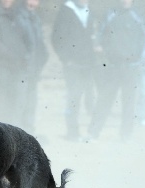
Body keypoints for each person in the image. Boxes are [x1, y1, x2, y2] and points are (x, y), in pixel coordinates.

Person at [87, 0, 145, 141]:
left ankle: (125, 135)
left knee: (128, 103)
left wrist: (138, 57)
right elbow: (100, 32)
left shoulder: (137, 15)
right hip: (113, 66)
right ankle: (93, 132)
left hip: (131, 67)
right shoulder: (110, 13)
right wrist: (99, 46)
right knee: (104, 100)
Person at [0, 0, 34, 126]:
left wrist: (26, 55)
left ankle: (15, 131)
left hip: (18, 65)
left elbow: (27, 37)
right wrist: (10, 55)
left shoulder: (19, 14)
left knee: (18, 100)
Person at [51, 0, 97, 141]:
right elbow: (56, 37)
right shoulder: (66, 11)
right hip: (73, 64)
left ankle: (88, 131)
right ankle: (72, 131)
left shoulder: (89, 11)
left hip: (88, 63)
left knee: (89, 97)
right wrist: (66, 59)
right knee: (73, 98)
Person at [20, 0, 48, 134]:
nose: (32, 3)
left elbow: (39, 43)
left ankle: (29, 130)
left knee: (31, 100)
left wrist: (43, 58)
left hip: (34, 67)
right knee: (20, 100)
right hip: (22, 67)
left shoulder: (35, 19)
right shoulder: (19, 17)